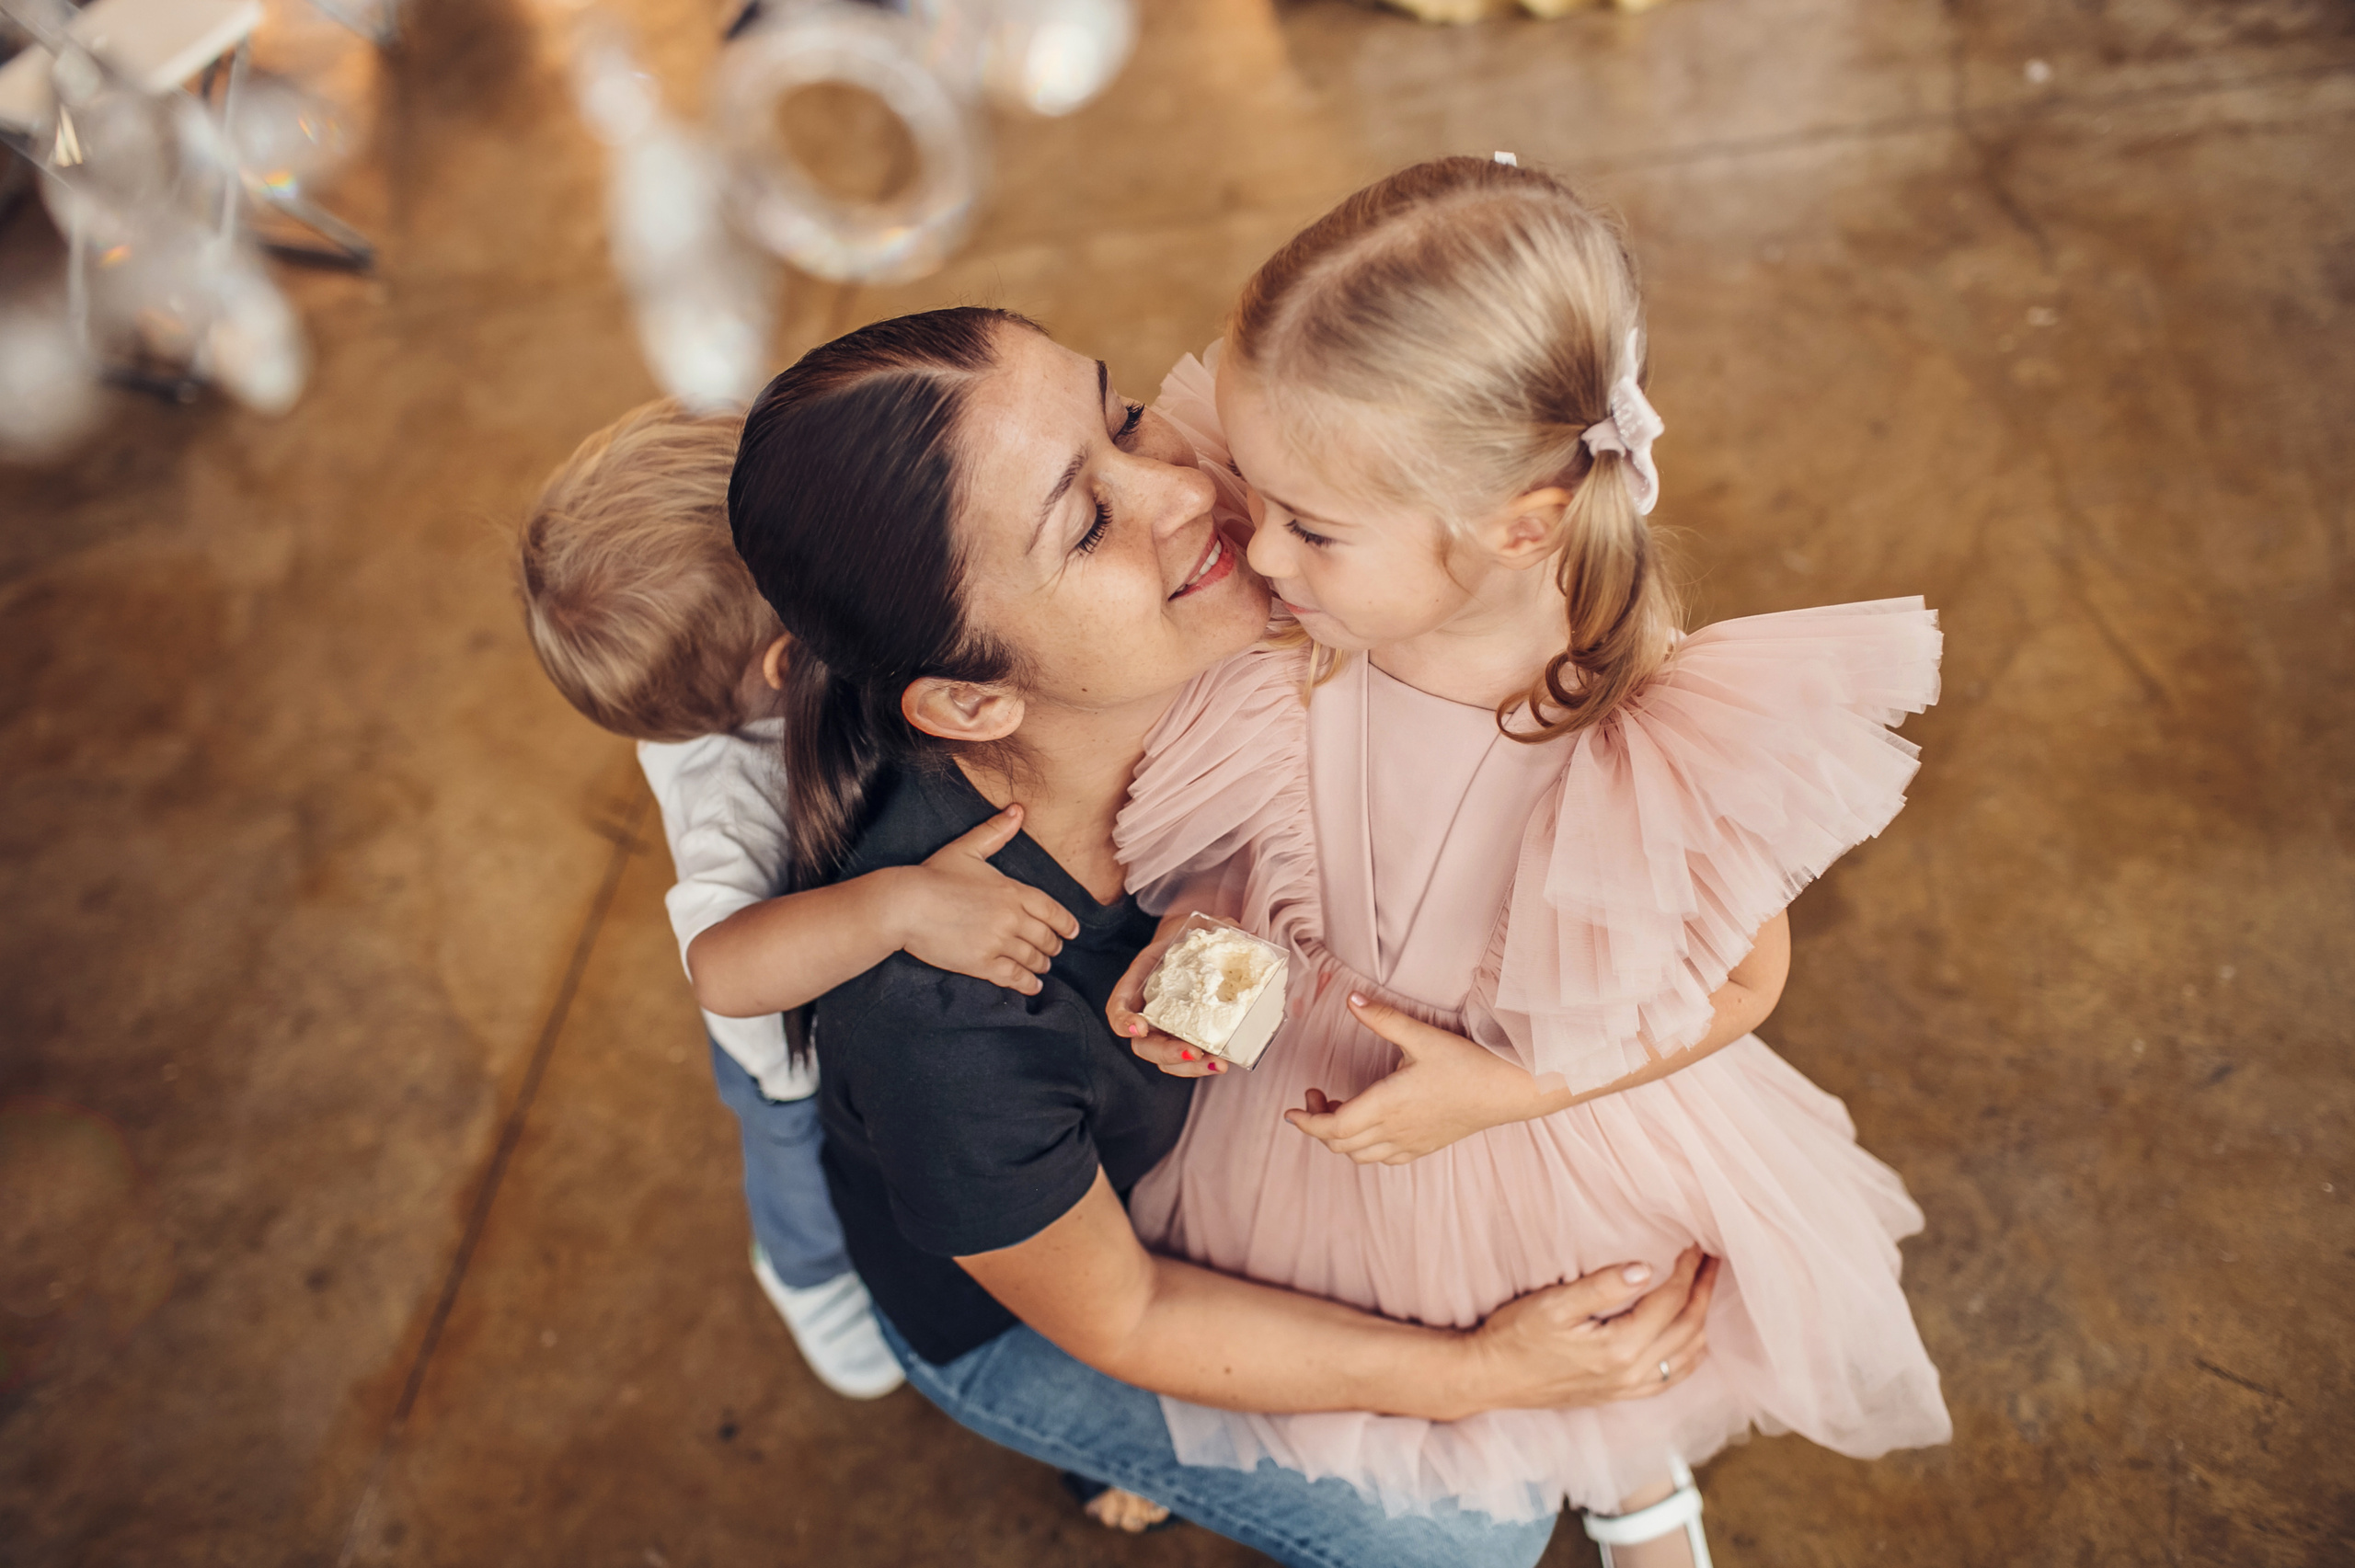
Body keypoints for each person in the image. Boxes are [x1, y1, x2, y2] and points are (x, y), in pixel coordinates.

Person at [724, 307, 1718, 1566]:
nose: (1191, 485)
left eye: (1124, 417)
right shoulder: (946, 1033)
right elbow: (1128, 1313)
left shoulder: (1217, 602)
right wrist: (1482, 1371)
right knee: (1470, 1534)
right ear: (973, 701)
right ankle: (1122, 1449)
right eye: (1088, 522)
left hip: (1227, 1149)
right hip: (1049, 1305)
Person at [1104, 156, 1953, 1566]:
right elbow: (1251, 848)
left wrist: (1502, 1094)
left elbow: (1740, 986)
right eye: (1255, 489)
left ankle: (1631, 1474)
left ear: (1523, 524)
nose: (1260, 546)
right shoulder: (1295, 638)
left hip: (1538, 1114)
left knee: (1592, 1321)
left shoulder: (1643, 728)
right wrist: (1195, 943)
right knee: (1305, 1293)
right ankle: (1243, 1424)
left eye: (1313, 524)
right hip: (1299, 1084)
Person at [516, 398, 1084, 1400]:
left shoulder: (771, 670)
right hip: (786, 1052)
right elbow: (723, 968)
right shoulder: (726, 796)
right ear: (788, 663)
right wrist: (900, 907)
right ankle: (807, 1281)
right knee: (805, 1183)